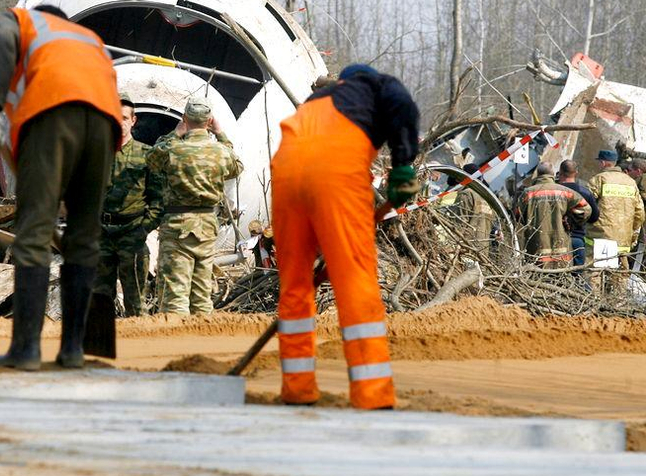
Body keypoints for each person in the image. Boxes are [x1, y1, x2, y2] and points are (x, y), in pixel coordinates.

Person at [0, 4, 121, 370]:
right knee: (86, 238)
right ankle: (74, 350)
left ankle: (26, 350)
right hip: (105, 126)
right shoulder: (89, 40)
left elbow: (2, 38)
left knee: (34, 235)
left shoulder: (22, 21)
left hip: (52, 110)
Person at [270, 63, 420, 409]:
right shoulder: (376, 85)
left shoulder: (318, 98)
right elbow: (404, 106)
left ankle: (297, 389)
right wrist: (403, 165)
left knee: (295, 284)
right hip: (335, 170)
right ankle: (372, 394)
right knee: (354, 279)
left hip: (286, 170)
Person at [146, 95, 243, 315]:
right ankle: (202, 342)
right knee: (201, 296)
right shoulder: (220, 152)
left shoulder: (173, 149)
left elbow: (152, 159)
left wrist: (175, 133)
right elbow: (236, 165)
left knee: (174, 298)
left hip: (177, 227)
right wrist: (220, 135)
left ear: (184, 119)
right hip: (207, 227)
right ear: (209, 121)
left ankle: (174, 344)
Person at [93, 93, 162, 316]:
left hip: (131, 234)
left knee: (135, 300)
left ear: (133, 120)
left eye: (124, 118)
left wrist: (143, 228)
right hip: (101, 234)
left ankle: (138, 348)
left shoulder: (146, 154)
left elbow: (158, 198)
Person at [586, 149, 645, 295]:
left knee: (594, 272)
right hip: (622, 239)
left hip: (600, 236)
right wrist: (632, 233)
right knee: (620, 275)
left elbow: (586, 205)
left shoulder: (599, 179)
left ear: (603, 163)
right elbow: (640, 213)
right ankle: (617, 306)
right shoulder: (631, 183)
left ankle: (593, 304)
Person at [515, 162, 591, 268]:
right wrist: (571, 222)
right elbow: (586, 210)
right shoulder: (566, 192)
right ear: (553, 174)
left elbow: (517, 217)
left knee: (537, 283)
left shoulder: (528, 194)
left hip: (537, 254)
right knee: (563, 283)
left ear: (538, 174)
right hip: (562, 255)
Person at [557, 159, 600, 268]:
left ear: (560, 172)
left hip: (556, 240)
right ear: (576, 172)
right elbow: (594, 217)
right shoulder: (585, 192)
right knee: (576, 277)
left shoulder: (553, 192)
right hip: (577, 239)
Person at [455, 163, 495, 251]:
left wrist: (452, 247)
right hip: (482, 251)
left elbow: (459, 224)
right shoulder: (488, 199)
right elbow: (492, 225)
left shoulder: (467, 194)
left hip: (466, 248)